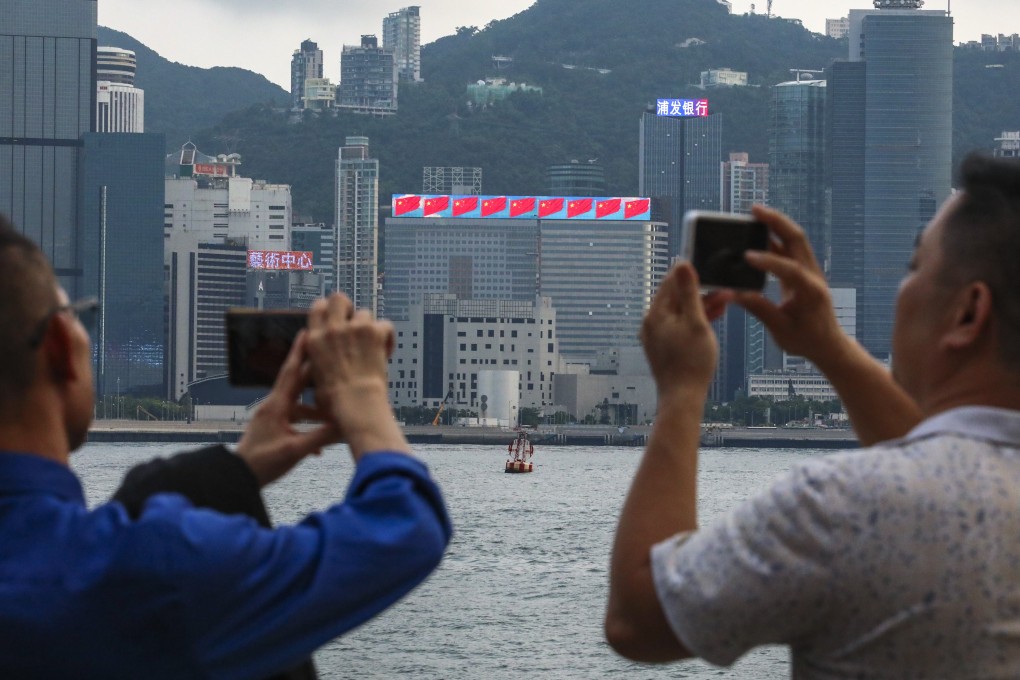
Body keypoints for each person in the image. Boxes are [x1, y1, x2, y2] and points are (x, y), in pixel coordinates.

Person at [605, 153, 1020, 677]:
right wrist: (828, 346)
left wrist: (683, 390)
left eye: (915, 268)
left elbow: (640, 619)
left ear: (968, 312)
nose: (903, 288)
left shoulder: (847, 507)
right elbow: (952, 469)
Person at [0, 214, 452, 678]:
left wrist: (237, 470)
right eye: (80, 318)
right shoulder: (142, 567)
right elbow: (407, 525)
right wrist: (364, 392)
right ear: (57, 346)